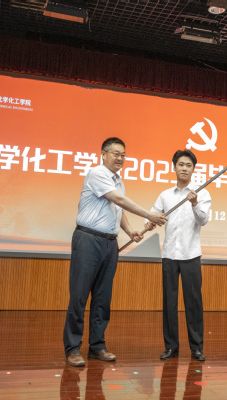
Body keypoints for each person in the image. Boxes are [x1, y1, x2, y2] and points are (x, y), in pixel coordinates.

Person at [64, 137, 167, 367]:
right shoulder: (97, 173)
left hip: (110, 244)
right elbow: (118, 199)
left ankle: (97, 346)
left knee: (103, 297)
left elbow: (118, 208)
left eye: (123, 155)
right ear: (103, 154)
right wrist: (148, 215)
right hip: (88, 239)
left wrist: (130, 231)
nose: (120, 158)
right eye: (116, 153)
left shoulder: (118, 180)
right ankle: (72, 348)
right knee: (79, 296)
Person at [145, 149, 211, 362]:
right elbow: (152, 215)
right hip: (170, 255)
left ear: (193, 169)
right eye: (181, 164)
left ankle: (197, 348)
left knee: (194, 304)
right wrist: (149, 222)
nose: (184, 168)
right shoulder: (165, 195)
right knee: (169, 303)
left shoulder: (202, 193)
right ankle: (171, 347)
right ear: (174, 167)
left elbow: (203, 220)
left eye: (188, 165)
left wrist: (195, 203)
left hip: (191, 255)